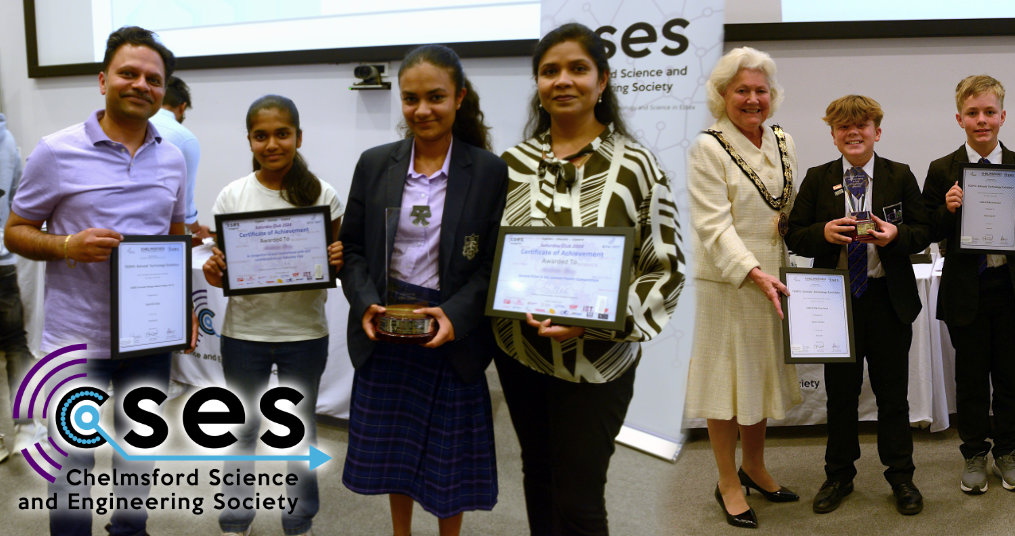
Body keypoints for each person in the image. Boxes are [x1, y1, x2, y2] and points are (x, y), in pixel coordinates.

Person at [492, 23, 685, 535]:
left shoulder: (637, 165)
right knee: (538, 476)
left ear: (602, 81)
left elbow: (666, 268)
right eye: (550, 70)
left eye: (578, 68)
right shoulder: (511, 165)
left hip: (597, 362)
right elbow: (487, 256)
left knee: (579, 500)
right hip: (521, 354)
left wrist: (596, 322)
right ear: (537, 82)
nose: (563, 80)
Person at [3, 26, 192, 535]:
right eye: (128, 73)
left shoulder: (172, 157)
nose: (141, 85)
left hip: (148, 342)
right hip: (73, 341)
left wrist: (183, 313)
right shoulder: (55, 151)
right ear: (103, 79)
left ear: (163, 90)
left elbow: (174, 241)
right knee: (71, 469)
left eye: (153, 79)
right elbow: (16, 231)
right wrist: (66, 246)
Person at [338, 44, 507, 536]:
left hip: (450, 329)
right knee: (395, 452)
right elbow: (351, 249)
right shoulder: (374, 164)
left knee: (446, 459)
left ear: (460, 97)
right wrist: (365, 300)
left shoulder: (489, 170)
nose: (422, 110)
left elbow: (493, 264)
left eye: (435, 97)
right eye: (410, 99)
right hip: (384, 327)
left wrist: (455, 315)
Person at [202, 95, 344, 536]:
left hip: (305, 332)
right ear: (249, 140)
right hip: (244, 332)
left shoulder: (324, 194)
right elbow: (226, 271)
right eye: (261, 135)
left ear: (299, 137)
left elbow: (336, 267)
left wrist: (339, 258)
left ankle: (299, 520)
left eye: (282, 133)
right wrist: (214, 269)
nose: (272, 143)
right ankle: (235, 521)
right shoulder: (233, 195)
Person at [784, 95, 929, 515]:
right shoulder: (817, 178)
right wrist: (824, 233)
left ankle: (901, 477)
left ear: (877, 132)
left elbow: (923, 231)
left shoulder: (900, 175)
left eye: (862, 125)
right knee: (841, 396)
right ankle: (838, 475)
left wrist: (896, 235)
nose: (853, 132)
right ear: (832, 135)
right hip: (835, 303)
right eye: (843, 127)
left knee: (893, 397)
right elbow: (794, 234)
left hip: (887, 300)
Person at [682, 46, 801, 530]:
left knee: (758, 380)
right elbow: (713, 225)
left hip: (775, 277)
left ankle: (755, 466)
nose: (753, 99)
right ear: (721, 95)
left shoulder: (784, 139)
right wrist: (752, 271)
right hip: (729, 283)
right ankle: (728, 480)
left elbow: (790, 208)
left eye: (761, 90)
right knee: (725, 387)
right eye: (742, 91)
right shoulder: (707, 147)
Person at [919, 74, 1015, 495]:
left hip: (1011, 289)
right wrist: (946, 210)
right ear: (959, 118)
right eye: (972, 113)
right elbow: (924, 230)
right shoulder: (942, 170)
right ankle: (974, 452)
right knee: (971, 378)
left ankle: (1008, 450)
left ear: (1003, 116)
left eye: (989, 112)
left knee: (1010, 377)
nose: (982, 120)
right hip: (966, 289)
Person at [1, 109, 41, 465]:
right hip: (1, 261)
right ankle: (25, 428)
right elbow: (15, 203)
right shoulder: (7, 140)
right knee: (16, 344)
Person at [148, 75, 211, 241]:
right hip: (160, 233)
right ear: (182, 107)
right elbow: (185, 202)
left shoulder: (132, 126)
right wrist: (198, 231)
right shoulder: (185, 138)